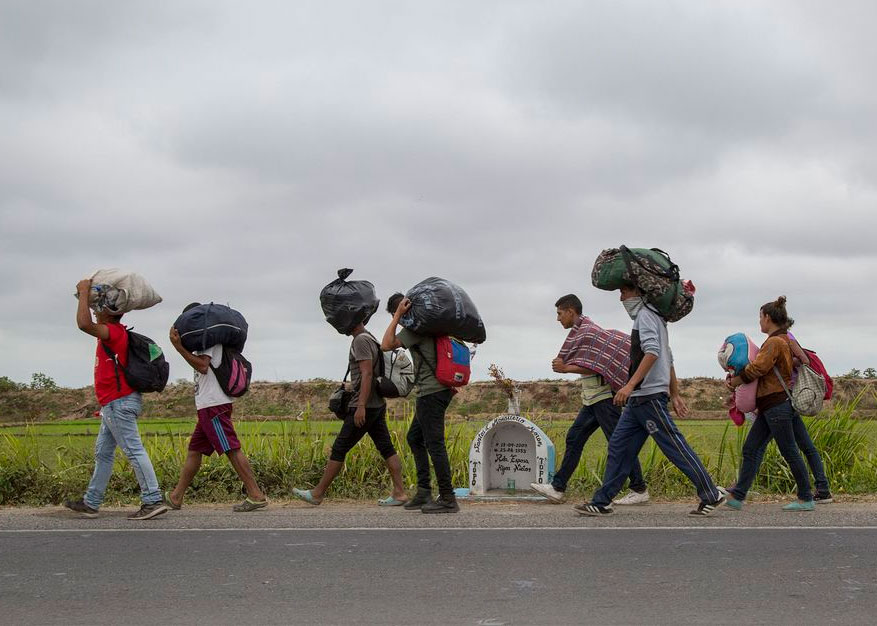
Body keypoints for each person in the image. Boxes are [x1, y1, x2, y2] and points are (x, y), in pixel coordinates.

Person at [576, 284, 726, 517]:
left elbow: (654, 352)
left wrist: (630, 385)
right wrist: (674, 393)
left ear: (638, 292)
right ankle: (602, 501)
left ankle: (710, 493)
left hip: (648, 397)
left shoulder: (645, 316)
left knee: (673, 446)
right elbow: (669, 356)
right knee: (618, 446)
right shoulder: (654, 317)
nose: (621, 298)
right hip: (639, 400)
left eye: (624, 292)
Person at [64, 279, 168, 520]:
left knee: (133, 450)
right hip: (113, 404)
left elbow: (83, 324)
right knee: (103, 453)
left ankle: (152, 499)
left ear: (107, 313)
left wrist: (82, 293)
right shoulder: (113, 333)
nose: (93, 310)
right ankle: (91, 502)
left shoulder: (112, 332)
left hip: (118, 402)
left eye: (96, 308)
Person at [530, 294, 648, 505]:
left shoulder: (589, 332)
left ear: (570, 311)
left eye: (559, 313)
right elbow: (591, 361)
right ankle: (558, 488)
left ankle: (639, 488)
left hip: (604, 398)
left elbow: (597, 365)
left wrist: (566, 368)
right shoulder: (580, 333)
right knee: (574, 438)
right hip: (592, 399)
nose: (558, 319)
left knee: (617, 442)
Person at [292, 311, 409, 507]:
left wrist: (360, 406)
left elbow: (367, 374)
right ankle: (399, 493)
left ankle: (317, 493)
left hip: (364, 406)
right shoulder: (369, 337)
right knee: (386, 447)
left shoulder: (361, 341)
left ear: (352, 321)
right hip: (377, 404)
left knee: (340, 448)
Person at [164, 303, 268, 512]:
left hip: (214, 406)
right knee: (194, 451)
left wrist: (179, 348)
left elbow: (202, 366)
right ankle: (176, 496)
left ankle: (256, 495)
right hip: (207, 406)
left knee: (230, 448)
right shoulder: (208, 342)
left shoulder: (209, 342)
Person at [725, 297, 816, 511]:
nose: (759, 322)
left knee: (789, 451)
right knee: (751, 448)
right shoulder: (783, 340)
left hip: (776, 406)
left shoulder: (774, 342)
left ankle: (806, 498)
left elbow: (758, 368)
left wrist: (736, 381)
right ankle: (738, 496)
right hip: (776, 405)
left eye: (760, 317)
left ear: (768, 317)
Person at [382, 292, 458, 513]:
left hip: (431, 393)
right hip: (438, 391)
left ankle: (448, 498)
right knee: (415, 438)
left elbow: (386, 345)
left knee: (435, 445)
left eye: (400, 312)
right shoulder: (432, 327)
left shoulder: (416, 329)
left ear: (406, 310)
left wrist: (396, 316)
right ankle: (424, 491)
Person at [736, 331, 833, 503]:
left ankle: (811, 493)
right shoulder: (778, 339)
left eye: (762, 316)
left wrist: (783, 363)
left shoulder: (784, 337)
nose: (760, 321)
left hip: (783, 399)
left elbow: (804, 359)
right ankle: (739, 491)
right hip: (785, 399)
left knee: (779, 449)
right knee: (794, 447)